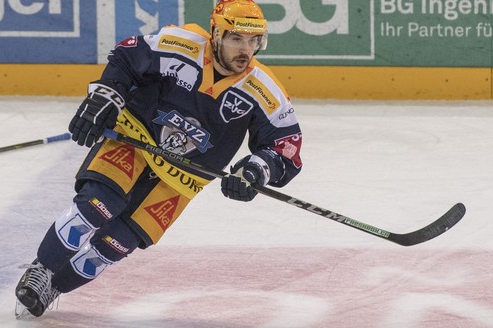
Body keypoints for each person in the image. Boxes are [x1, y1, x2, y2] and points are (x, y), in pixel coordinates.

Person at [15, 0, 302, 317]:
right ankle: (43, 268)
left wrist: (256, 170)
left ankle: (55, 286)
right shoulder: (182, 44)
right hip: (136, 142)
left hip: (182, 180)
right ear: (216, 34)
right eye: (236, 38)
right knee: (95, 208)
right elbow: (127, 55)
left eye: (253, 41)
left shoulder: (264, 89)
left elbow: (286, 145)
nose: (245, 49)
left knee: (114, 245)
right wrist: (108, 94)